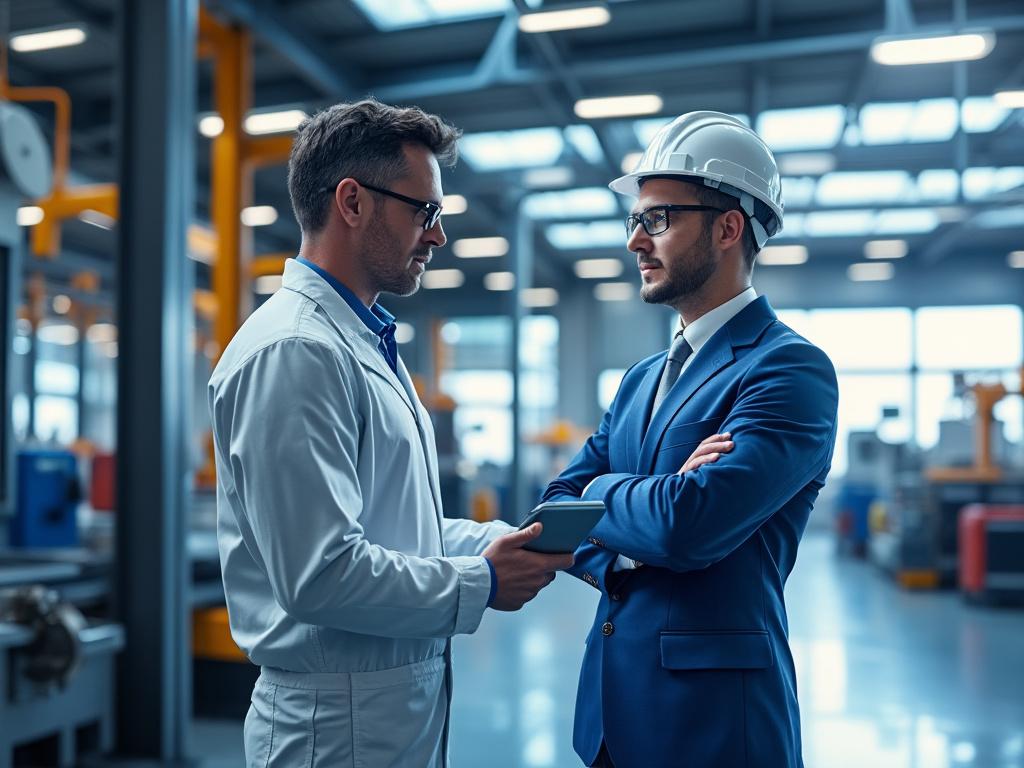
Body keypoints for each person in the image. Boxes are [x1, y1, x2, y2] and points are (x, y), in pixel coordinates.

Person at [208, 98, 573, 767]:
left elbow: (391, 526)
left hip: (383, 712)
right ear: (352, 201)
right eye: (423, 211)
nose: (437, 236)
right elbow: (320, 575)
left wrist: (502, 543)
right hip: (336, 724)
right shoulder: (295, 351)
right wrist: (480, 583)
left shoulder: (362, 341)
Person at [541, 111, 839, 768]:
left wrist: (608, 499)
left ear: (728, 227)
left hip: (712, 730)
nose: (635, 242)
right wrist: (636, 520)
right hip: (608, 721)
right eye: (634, 221)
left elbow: (688, 528)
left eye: (658, 220)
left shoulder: (788, 369)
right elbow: (553, 512)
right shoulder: (642, 379)